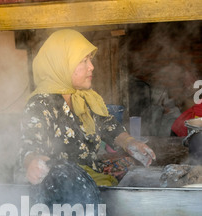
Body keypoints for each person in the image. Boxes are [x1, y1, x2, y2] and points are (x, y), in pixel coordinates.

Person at [18, 29, 156, 197]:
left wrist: (130, 142)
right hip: (63, 194)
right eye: (83, 61)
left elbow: (107, 125)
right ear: (62, 64)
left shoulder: (82, 97)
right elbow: (29, 145)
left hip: (89, 181)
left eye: (90, 59)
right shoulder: (40, 104)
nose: (91, 66)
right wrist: (32, 161)